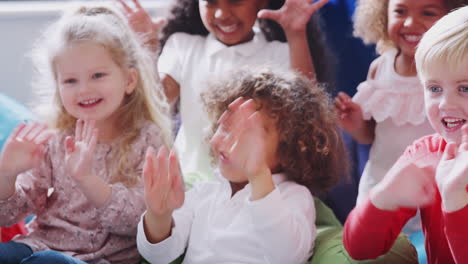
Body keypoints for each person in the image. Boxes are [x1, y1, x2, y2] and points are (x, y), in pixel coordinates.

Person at [0, 4, 172, 264]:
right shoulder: (54, 137)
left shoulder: (147, 139)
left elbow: (137, 224)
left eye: (98, 75)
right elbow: (9, 218)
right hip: (40, 247)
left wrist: (87, 179)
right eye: (70, 80)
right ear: (58, 86)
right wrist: (7, 175)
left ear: (129, 80)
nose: (84, 89)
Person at [137, 66, 348, 264]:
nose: (228, 141)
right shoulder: (204, 192)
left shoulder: (293, 195)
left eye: (247, 134)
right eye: (225, 127)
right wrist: (159, 216)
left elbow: (287, 256)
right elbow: (159, 257)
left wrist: (258, 176)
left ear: (289, 149)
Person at [117, 0, 333, 184]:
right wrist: (148, 49)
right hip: (190, 183)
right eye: (211, 2)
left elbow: (307, 111)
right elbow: (157, 101)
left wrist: (296, 34)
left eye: (235, 0)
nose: (222, 13)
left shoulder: (278, 53)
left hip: (257, 186)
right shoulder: (183, 46)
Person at [343, 6, 468, 264]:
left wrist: (455, 200)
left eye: (464, 88)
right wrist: (383, 197)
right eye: (434, 87)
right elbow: (359, 250)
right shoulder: (425, 153)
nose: (445, 103)